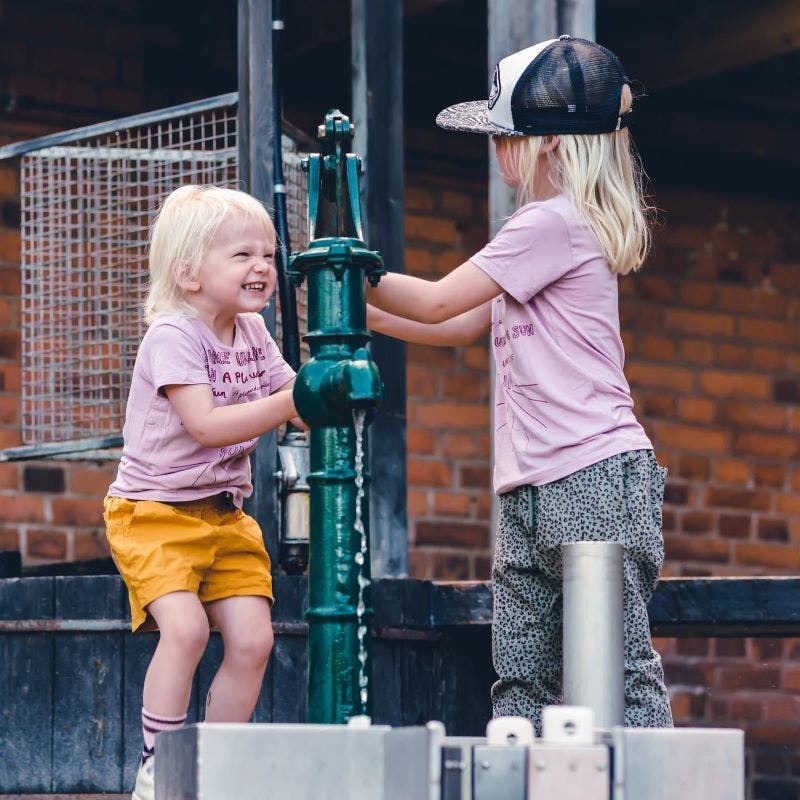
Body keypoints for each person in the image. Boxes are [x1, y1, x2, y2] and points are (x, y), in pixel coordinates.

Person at [367, 36, 672, 732]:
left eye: (504, 137)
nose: (497, 152)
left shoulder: (549, 225)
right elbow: (457, 325)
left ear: (548, 146)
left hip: (590, 476)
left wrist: (345, 271)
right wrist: (356, 312)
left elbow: (440, 300)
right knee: (524, 677)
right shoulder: (551, 231)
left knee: (611, 673)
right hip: (528, 484)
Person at [104, 185, 301, 800]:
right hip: (153, 514)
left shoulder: (253, 332)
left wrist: (329, 392)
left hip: (226, 516)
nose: (262, 267)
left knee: (253, 640)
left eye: (267, 254)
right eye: (242, 255)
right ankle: (160, 767)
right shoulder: (172, 336)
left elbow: (298, 400)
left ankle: (215, 772)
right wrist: (295, 400)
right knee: (185, 630)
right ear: (189, 273)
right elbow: (208, 424)